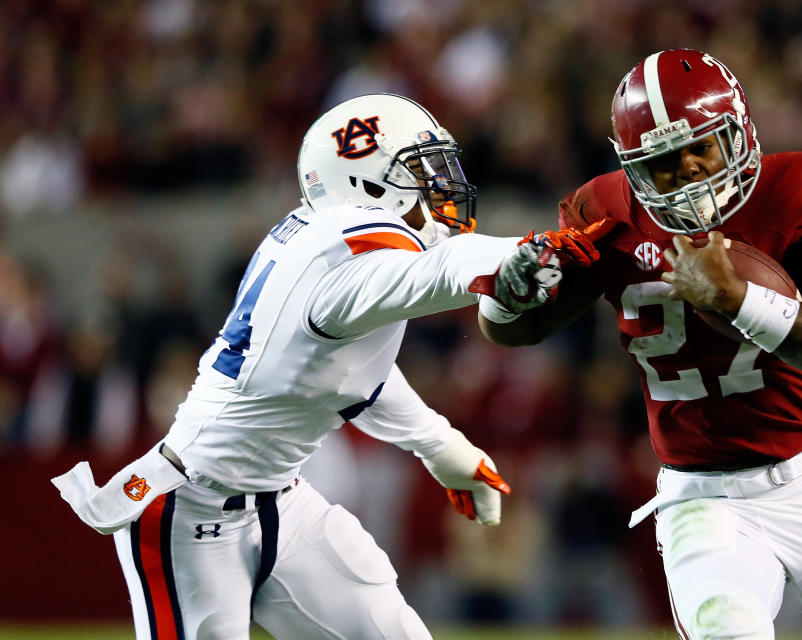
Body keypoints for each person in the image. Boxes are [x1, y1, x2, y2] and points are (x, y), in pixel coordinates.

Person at [51, 93, 589, 640]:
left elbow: (351, 377)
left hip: (283, 501)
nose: (441, 182)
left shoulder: (320, 241)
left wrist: (442, 447)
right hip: (190, 510)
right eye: (420, 167)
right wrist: (513, 257)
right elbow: (445, 267)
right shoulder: (347, 253)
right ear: (367, 182)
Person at [478, 49, 802, 639]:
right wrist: (505, 300)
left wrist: (737, 300)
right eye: (665, 160)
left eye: (702, 146)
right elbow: (521, 329)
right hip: (704, 498)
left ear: (739, 132)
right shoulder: (606, 216)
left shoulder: (792, 194)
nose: (690, 168)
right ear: (634, 170)